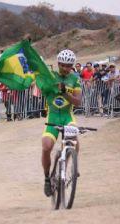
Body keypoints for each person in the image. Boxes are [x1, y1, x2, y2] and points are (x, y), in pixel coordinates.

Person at [42, 49, 82, 197]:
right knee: (46, 147)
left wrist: (65, 92)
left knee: (74, 137)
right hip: (52, 117)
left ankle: (71, 165)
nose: (66, 68)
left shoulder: (75, 79)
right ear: (58, 63)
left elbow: (78, 102)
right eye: (63, 65)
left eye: (69, 66)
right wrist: (50, 85)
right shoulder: (51, 76)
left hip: (67, 116)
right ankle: (47, 177)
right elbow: (42, 88)